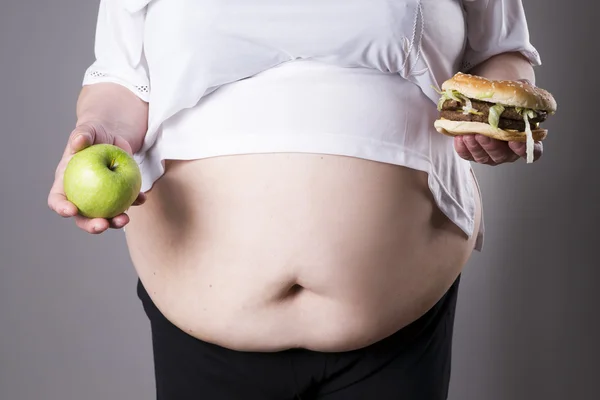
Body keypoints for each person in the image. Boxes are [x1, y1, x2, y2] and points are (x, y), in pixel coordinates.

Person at [48, 0, 545, 398]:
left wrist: (501, 115)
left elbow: (503, 52)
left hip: (398, 331)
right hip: (200, 331)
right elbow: (119, 78)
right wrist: (101, 131)